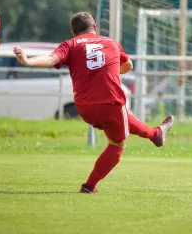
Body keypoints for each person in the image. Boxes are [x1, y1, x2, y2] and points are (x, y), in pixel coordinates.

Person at [13, 12, 174, 194]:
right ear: (95, 27)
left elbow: (51, 59)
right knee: (117, 144)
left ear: (74, 33)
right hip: (110, 103)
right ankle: (89, 185)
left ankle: (156, 134)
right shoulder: (111, 43)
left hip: (84, 108)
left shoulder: (71, 44)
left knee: (122, 120)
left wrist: (27, 61)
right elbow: (128, 65)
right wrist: (112, 69)